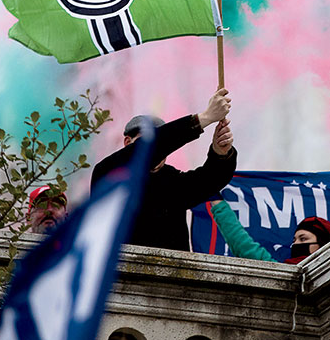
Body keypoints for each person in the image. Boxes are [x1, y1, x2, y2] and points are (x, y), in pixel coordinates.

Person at [91, 88, 237, 251]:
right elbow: (151, 149)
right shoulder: (109, 172)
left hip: (173, 274)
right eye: (146, 141)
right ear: (127, 142)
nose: (159, 151)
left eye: (164, 147)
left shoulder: (173, 180)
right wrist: (204, 118)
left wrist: (221, 153)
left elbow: (209, 180)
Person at [209, 195, 330, 264]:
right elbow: (242, 245)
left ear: (323, 244)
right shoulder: (282, 270)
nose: (296, 244)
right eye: (294, 240)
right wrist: (217, 201)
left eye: (303, 239)